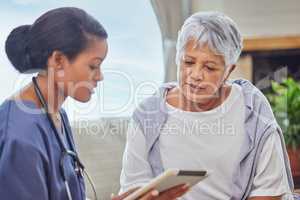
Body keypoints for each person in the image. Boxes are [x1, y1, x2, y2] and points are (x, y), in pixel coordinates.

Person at [0, 7, 189, 200]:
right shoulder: (19, 134)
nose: (100, 76)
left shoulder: (57, 115)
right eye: (93, 66)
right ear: (58, 60)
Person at [120, 11, 296, 200]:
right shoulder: (147, 115)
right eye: (188, 62)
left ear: (229, 70)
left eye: (209, 67)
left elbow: (269, 191)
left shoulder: (252, 108)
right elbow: (134, 190)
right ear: (177, 58)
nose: (195, 74)